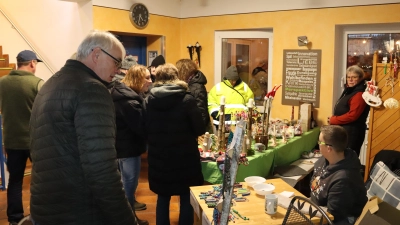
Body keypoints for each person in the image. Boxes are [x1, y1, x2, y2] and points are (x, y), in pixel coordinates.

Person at [29, 30, 138, 225]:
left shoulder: (49, 85)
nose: (119, 70)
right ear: (96, 54)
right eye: (117, 62)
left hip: (45, 207)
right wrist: (127, 220)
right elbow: (102, 170)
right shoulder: (92, 89)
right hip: (79, 211)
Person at [145, 63, 205, 225]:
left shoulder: (149, 100)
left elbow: (145, 127)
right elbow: (199, 128)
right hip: (184, 157)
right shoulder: (187, 99)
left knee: (163, 197)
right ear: (176, 77)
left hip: (160, 157)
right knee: (186, 196)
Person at [0, 50, 44, 225]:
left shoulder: (2, 83)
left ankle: (14, 219)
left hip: (12, 141)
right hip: (36, 141)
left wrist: (4, 141)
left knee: (15, 182)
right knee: (41, 179)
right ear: (32, 63)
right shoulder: (38, 83)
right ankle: (39, 215)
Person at [110, 65, 152, 225]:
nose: (150, 81)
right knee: (128, 185)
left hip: (121, 147)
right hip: (128, 149)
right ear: (137, 79)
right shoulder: (130, 101)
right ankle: (129, 220)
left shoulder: (122, 95)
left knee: (124, 184)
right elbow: (141, 127)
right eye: (147, 78)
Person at [310, 125, 367, 225]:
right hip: (317, 208)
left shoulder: (344, 179)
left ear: (329, 148)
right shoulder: (323, 161)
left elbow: (332, 216)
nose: (318, 144)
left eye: (320, 142)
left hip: (339, 220)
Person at [328, 65, 370, 156]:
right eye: (348, 77)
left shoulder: (359, 94)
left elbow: (352, 115)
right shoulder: (350, 91)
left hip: (351, 134)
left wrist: (334, 120)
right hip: (345, 132)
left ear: (360, 78)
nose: (350, 80)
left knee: (347, 159)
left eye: (354, 77)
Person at [176, 58, 210, 129]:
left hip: (196, 130)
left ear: (183, 71)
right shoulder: (190, 84)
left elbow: (201, 112)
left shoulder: (197, 87)